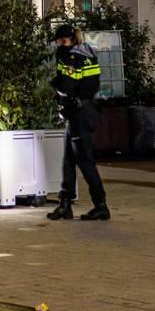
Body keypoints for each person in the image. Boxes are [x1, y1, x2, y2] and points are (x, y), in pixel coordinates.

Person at [47, 23, 110, 222]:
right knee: (69, 160)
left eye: (62, 41)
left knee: (85, 162)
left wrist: (55, 85)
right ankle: (65, 204)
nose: (60, 45)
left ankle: (101, 206)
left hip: (79, 114)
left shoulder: (73, 57)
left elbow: (67, 87)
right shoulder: (87, 53)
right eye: (58, 42)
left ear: (71, 39)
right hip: (81, 112)